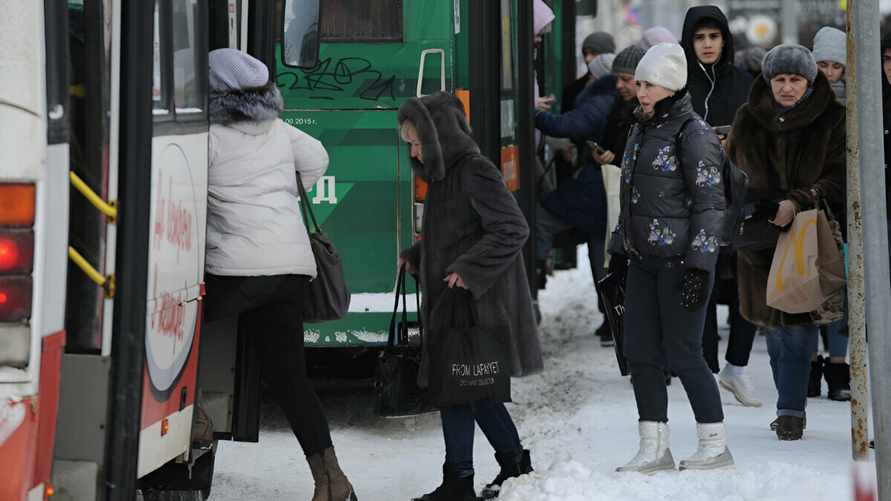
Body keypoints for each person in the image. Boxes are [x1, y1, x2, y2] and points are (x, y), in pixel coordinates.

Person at [202, 49, 357, 501]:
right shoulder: (280, 131)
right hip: (289, 268)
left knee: (176, 326)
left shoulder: (208, 137)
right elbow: (319, 159)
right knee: (291, 380)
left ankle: (192, 417)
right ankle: (332, 480)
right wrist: (282, 194)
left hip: (236, 270)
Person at [398, 92, 543, 501]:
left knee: (460, 389)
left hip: (475, 302)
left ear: (438, 137)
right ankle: (513, 465)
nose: (413, 151)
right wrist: (418, 256)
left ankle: (460, 480)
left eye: (417, 142)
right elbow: (457, 233)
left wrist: (468, 268)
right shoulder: (444, 176)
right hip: (455, 300)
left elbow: (513, 229)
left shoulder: (474, 171)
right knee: (474, 389)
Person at [609, 43, 733, 473]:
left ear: (672, 86)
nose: (641, 92)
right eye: (639, 84)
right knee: (639, 352)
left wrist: (700, 265)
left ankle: (714, 444)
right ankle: (653, 447)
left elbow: (711, 205)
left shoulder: (693, 133)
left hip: (682, 262)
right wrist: (619, 248)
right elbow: (631, 197)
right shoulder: (640, 127)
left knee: (684, 353)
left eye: (650, 85)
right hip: (642, 260)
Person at [728, 44, 846, 441]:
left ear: (809, 82)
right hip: (757, 234)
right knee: (772, 327)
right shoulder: (748, 118)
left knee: (796, 320)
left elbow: (839, 176)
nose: (787, 87)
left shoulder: (831, 118)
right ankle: (788, 401)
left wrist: (798, 201)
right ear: (768, 81)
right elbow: (732, 174)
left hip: (806, 233)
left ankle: (790, 411)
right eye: (780, 79)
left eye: (795, 79)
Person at [681, 5, 760, 407]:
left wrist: (734, 144)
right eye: (700, 37)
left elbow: (762, 136)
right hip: (694, 198)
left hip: (741, 196)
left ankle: (737, 367)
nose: (708, 44)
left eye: (714, 37)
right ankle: (708, 369)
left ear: (726, 40)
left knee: (750, 281)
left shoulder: (745, 83)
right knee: (703, 281)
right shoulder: (678, 85)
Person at [533, 53, 617, 339]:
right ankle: (613, 319)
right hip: (601, 191)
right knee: (602, 252)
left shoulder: (600, 100)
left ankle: (533, 273)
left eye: (591, 74)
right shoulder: (613, 100)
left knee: (545, 218)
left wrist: (532, 113)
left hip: (594, 191)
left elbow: (565, 125)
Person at [589, 44, 646, 346]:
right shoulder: (619, 108)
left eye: (626, 79)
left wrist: (617, 157)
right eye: (617, 79)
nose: (620, 86)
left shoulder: (646, 115)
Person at [807, 26, 851, 402]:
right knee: (806, 286)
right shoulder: (801, 100)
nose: (830, 72)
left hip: (844, 207)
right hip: (809, 204)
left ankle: (838, 367)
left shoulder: (858, 104)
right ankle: (809, 365)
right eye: (822, 64)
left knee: (839, 287)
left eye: (836, 65)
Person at [561, 32, 617, 115]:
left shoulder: (621, 88)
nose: (587, 59)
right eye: (585, 53)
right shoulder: (572, 90)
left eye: (594, 53)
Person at [813, 27, 847, 104]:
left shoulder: (859, 97)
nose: (829, 73)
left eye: (836, 67)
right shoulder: (798, 94)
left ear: (844, 69)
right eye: (823, 65)